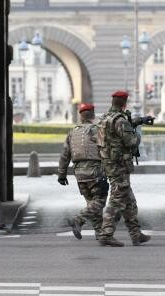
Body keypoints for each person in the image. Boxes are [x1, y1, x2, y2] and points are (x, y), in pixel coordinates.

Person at [96, 90, 151, 247]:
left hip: (109, 163)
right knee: (117, 200)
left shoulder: (104, 118)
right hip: (119, 165)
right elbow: (131, 141)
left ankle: (135, 234)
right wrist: (138, 135)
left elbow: (116, 130)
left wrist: (139, 120)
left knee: (129, 201)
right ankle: (106, 233)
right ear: (124, 103)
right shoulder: (120, 120)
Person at [57, 103, 108, 240]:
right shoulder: (97, 130)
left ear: (80, 116)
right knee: (99, 202)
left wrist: (61, 174)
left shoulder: (72, 132)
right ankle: (78, 219)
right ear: (92, 114)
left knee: (91, 203)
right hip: (95, 171)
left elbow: (64, 155)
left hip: (79, 174)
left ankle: (100, 233)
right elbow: (107, 150)